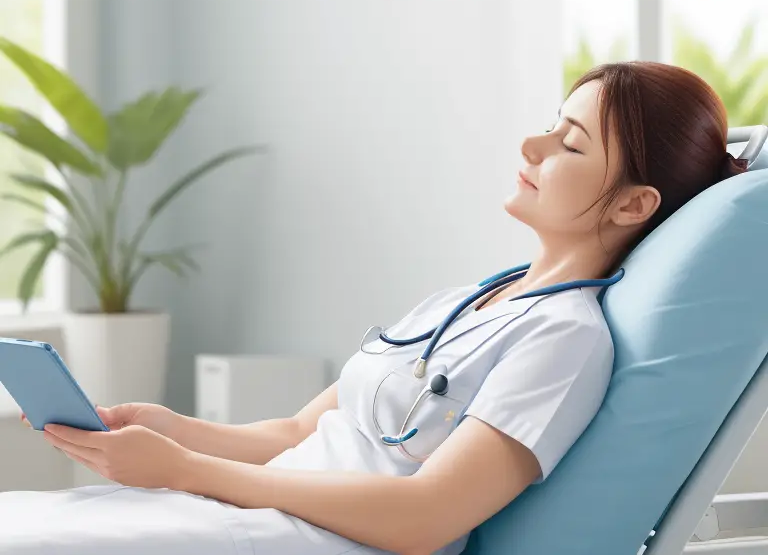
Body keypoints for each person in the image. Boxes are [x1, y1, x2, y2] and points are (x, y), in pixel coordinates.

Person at [5, 62, 749, 555]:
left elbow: (426, 516)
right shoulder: (470, 297)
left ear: (633, 204)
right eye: (552, 123)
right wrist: (171, 431)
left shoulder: (565, 342)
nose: (533, 143)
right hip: (251, 517)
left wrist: (185, 470)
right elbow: (303, 431)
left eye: (570, 143)